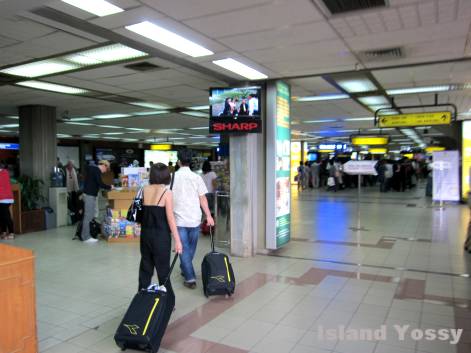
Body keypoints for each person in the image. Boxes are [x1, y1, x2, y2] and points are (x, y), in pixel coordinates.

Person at [172, 149, 214, 289]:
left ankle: (185, 269)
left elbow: (168, 199)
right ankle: (190, 277)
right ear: (190, 162)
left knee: (184, 248)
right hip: (195, 218)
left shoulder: (172, 177)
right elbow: (203, 199)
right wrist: (208, 215)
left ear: (178, 161)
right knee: (189, 248)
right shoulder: (197, 177)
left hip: (178, 219)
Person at [139, 163, 183, 295]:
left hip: (145, 234)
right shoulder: (167, 192)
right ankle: (167, 300)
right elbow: (170, 219)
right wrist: (178, 240)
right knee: (163, 270)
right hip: (161, 236)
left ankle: (142, 296)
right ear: (166, 176)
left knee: (145, 268)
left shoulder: (143, 189)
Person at [81, 160, 113, 243]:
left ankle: (87, 235)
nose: (106, 171)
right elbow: (100, 183)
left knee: (90, 215)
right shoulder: (96, 170)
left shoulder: (93, 170)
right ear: (104, 165)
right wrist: (110, 187)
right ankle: (86, 237)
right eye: (107, 168)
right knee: (88, 216)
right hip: (89, 195)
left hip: (89, 195)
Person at [0, 162, 14, 239]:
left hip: (3, 198)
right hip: (7, 198)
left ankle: (11, 232)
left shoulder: (3, 173)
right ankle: (4, 232)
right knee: (3, 215)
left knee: (5, 216)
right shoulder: (5, 172)